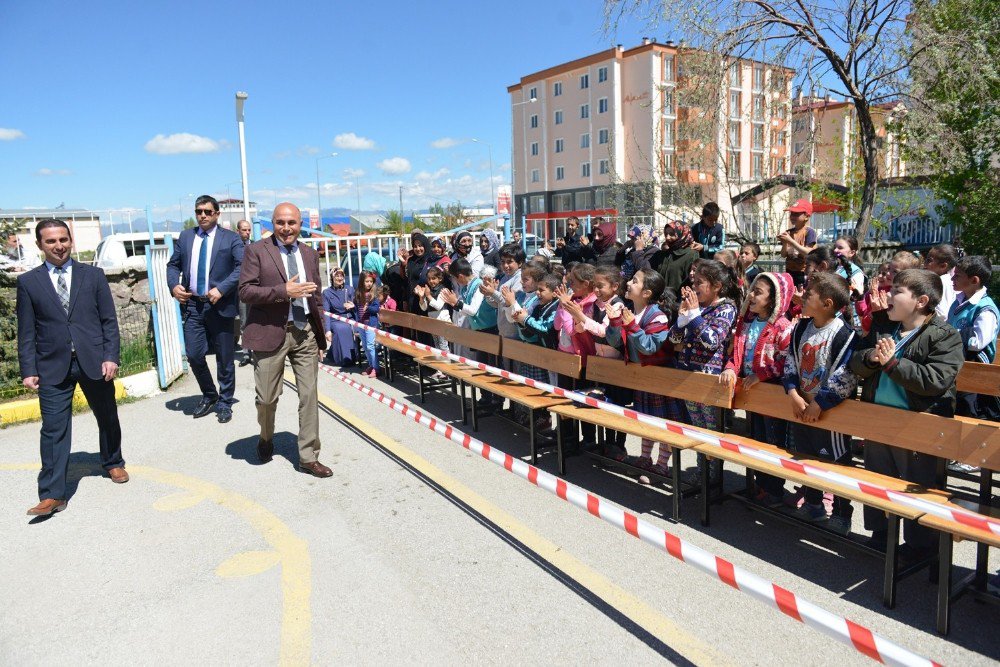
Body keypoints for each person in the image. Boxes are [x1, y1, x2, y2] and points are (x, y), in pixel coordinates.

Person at [16, 219, 127, 516]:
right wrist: (29, 368)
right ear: (40, 245)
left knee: (107, 416)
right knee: (53, 429)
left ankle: (113, 461)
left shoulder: (93, 275)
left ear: (71, 241)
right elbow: (26, 331)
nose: (59, 246)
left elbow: (108, 321)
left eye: (63, 239)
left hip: (94, 360)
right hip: (52, 366)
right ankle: (52, 494)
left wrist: (111, 356)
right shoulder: (28, 283)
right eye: (51, 241)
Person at [850, 268, 963, 553]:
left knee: (918, 487)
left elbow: (935, 380)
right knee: (877, 481)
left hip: (917, 425)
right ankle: (879, 535)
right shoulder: (884, 325)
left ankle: (919, 547)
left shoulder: (945, 336)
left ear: (921, 300)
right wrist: (872, 358)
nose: (888, 295)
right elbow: (856, 362)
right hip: (879, 420)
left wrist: (892, 364)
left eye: (898, 291)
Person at [238, 203, 331, 478]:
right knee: (267, 399)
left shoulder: (310, 254)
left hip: (305, 333)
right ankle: (266, 437)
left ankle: (308, 456)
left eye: (291, 222)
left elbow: (316, 296)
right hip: (269, 333)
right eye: (280, 222)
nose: (286, 228)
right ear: (273, 224)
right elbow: (245, 291)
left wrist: (322, 328)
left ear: (300, 223)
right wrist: (283, 291)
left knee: (309, 395)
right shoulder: (256, 251)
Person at [781, 272, 859, 533]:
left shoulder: (844, 334)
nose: (803, 296)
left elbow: (846, 375)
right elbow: (790, 360)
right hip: (803, 406)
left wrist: (821, 403)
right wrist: (792, 392)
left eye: (809, 293)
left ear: (827, 304)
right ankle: (813, 504)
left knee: (836, 463)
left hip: (830, 413)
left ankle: (841, 512)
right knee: (807, 458)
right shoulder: (801, 327)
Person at [166, 195, 245, 423]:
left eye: (207, 212)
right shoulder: (186, 237)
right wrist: (174, 286)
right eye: (199, 211)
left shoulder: (230, 239)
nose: (202, 215)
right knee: (193, 354)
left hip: (220, 305)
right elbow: (173, 265)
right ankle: (210, 394)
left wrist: (221, 289)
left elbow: (242, 268)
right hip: (193, 304)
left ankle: (225, 402)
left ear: (217, 214)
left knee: (224, 357)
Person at [720, 272, 795, 506]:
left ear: (773, 300)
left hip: (770, 395)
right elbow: (737, 354)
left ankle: (773, 490)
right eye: (752, 290)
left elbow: (785, 361)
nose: (751, 295)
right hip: (751, 393)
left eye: (758, 292)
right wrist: (732, 367)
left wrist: (761, 374)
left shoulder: (782, 327)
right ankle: (759, 485)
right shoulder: (747, 323)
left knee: (772, 442)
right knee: (755, 439)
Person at [669, 260, 740, 484]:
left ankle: (714, 477)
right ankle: (702, 473)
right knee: (696, 429)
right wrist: (682, 319)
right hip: (688, 376)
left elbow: (712, 341)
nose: (694, 287)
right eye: (694, 281)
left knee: (711, 431)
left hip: (709, 380)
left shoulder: (726, 308)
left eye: (700, 283)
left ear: (716, 286)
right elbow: (673, 339)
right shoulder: (696, 308)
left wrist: (694, 316)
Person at [608, 270, 674, 476]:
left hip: (658, 378)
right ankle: (645, 458)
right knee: (646, 419)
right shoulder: (630, 312)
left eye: (634, 281)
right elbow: (616, 342)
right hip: (642, 377)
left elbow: (650, 347)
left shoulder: (657, 315)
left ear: (646, 292)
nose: (628, 283)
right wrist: (613, 323)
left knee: (663, 423)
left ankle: (662, 465)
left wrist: (631, 326)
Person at [568, 264, 631, 457]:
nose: (596, 290)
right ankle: (606, 445)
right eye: (594, 285)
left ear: (614, 286)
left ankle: (618, 446)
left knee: (617, 405)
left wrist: (581, 318)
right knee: (604, 403)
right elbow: (582, 329)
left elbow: (605, 331)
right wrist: (577, 318)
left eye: (601, 286)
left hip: (617, 364)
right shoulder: (596, 305)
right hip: (601, 363)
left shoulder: (618, 305)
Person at [948, 255, 1000, 422]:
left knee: (967, 413)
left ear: (974, 280)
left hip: (974, 371)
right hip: (955, 365)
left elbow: (978, 342)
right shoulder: (958, 302)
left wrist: (951, 334)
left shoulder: (985, 309)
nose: (952, 279)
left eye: (957, 276)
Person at [654, 220, 700, 298]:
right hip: (661, 301)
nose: (667, 237)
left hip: (679, 301)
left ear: (682, 233)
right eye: (666, 234)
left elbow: (691, 280)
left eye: (672, 234)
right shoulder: (664, 254)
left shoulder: (691, 254)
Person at [778, 199, 818, 287]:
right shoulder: (789, 232)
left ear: (806, 216)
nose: (792, 216)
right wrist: (785, 243)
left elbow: (809, 253)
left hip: (803, 272)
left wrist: (791, 241)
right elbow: (783, 254)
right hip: (789, 271)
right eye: (791, 214)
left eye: (796, 214)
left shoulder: (809, 232)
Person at [322, 268, 357, 367]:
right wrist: (327, 330)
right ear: (332, 278)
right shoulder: (327, 292)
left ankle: (338, 355)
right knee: (341, 328)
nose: (340, 278)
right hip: (335, 319)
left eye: (341, 275)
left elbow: (358, 305)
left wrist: (353, 306)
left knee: (354, 327)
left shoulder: (349, 289)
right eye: (337, 276)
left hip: (350, 317)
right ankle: (345, 359)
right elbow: (326, 312)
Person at [354, 271, 381, 378]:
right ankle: (370, 365)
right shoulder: (358, 293)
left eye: (371, 281)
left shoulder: (373, 295)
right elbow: (356, 308)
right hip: (361, 324)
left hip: (370, 324)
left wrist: (368, 308)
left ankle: (376, 368)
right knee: (365, 346)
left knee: (370, 346)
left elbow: (376, 309)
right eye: (367, 281)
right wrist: (351, 306)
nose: (369, 283)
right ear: (362, 282)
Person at [923, 243, 958, 319]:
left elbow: (942, 313)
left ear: (943, 266)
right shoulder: (944, 280)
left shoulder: (942, 281)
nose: (924, 263)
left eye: (929, 260)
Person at [236, 220, 254, 367]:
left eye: (249, 230)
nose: (247, 232)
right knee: (244, 322)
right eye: (244, 230)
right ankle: (246, 353)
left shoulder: (255, 246)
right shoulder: (234, 247)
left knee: (258, 320)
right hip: (242, 290)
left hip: (256, 289)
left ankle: (258, 350)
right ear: (238, 231)